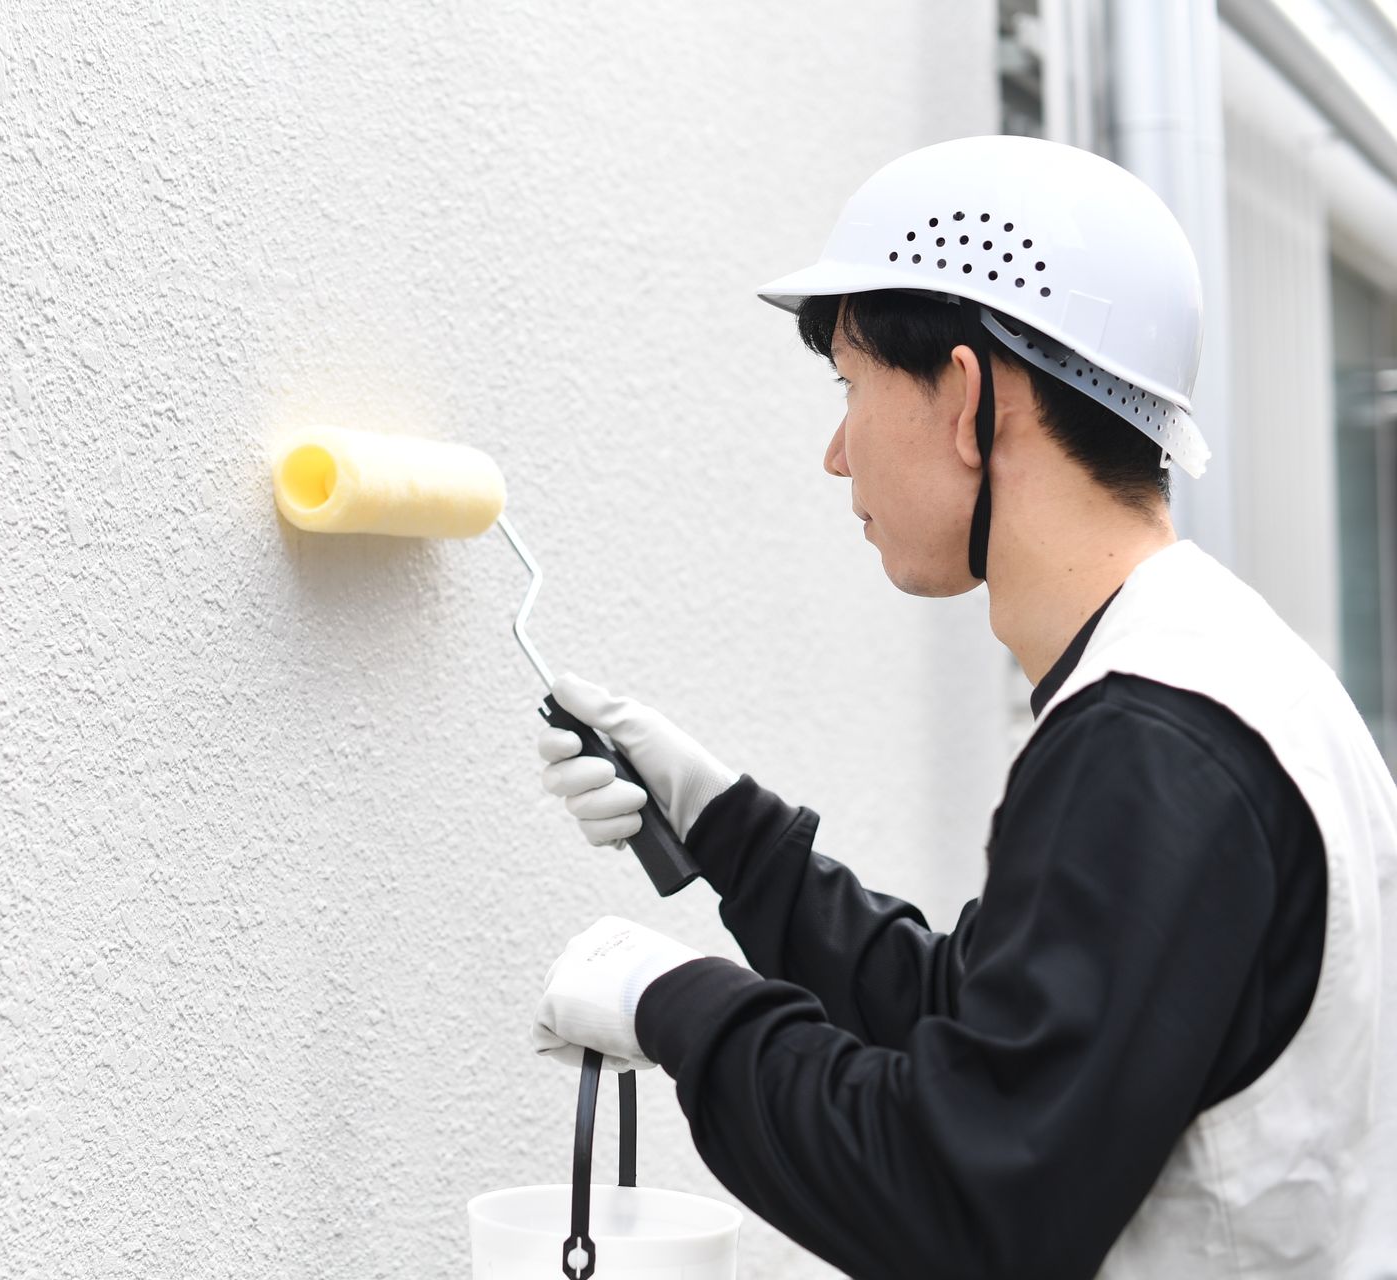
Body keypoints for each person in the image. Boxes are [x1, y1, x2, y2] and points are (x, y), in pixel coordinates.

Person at [527, 136, 1397, 1279]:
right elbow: (995, 1030)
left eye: (851, 386)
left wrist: (676, 1003)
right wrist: (732, 828)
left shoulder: (1152, 745)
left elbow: (966, 1199)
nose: (837, 454)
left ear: (968, 396)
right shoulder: (1209, 677)